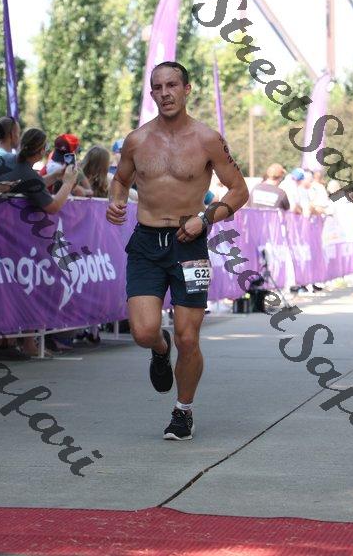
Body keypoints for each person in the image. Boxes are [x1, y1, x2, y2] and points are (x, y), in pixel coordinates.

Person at [106, 61, 249, 440]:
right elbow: (120, 181)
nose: (165, 93)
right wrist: (115, 200)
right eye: (157, 87)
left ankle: (183, 411)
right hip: (146, 244)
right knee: (143, 332)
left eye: (172, 85)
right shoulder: (137, 140)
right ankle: (159, 347)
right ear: (152, 93)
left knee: (189, 338)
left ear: (187, 89)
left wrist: (206, 218)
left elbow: (239, 191)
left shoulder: (207, 139)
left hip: (190, 245)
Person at [0, 128, 78, 213]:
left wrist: (55, 176)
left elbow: (32, 185)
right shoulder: (30, 176)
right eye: (46, 146)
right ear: (41, 151)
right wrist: (68, 183)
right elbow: (53, 208)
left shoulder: (7, 158)